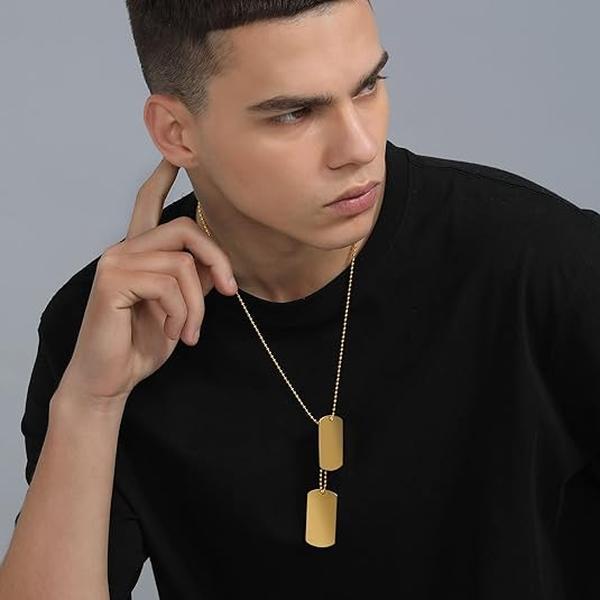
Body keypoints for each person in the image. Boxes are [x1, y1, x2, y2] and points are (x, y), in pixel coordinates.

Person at [1, 1, 599, 598]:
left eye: (368, 87)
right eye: (294, 113)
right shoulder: (108, 325)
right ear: (176, 133)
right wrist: (91, 403)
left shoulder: (543, 262)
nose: (358, 147)